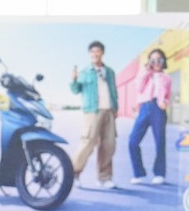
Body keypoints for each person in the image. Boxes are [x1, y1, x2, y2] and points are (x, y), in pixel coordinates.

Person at [70, 40, 119, 190]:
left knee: (108, 145)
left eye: (97, 51)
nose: (95, 54)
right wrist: (74, 79)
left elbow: (113, 90)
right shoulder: (85, 72)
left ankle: (104, 178)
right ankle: (73, 174)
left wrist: (115, 108)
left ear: (102, 53)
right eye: (92, 52)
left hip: (109, 111)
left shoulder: (110, 72)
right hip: (92, 111)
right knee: (88, 143)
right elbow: (75, 90)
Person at [128, 48, 170, 185]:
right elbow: (138, 87)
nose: (156, 62)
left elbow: (168, 95)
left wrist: (165, 102)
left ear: (163, 61)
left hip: (159, 109)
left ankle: (159, 174)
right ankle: (138, 173)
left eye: (159, 60)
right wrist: (146, 71)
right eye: (153, 60)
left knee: (160, 142)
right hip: (145, 107)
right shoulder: (145, 74)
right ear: (149, 62)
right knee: (133, 141)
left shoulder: (167, 78)